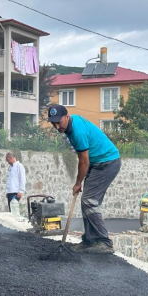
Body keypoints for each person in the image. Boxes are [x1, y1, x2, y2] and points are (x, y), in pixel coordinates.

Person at [48, 104, 121, 254]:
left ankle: (104, 242)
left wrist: (78, 183)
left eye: (59, 122)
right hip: (98, 163)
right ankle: (89, 240)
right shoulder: (71, 124)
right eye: (53, 123)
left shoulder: (77, 132)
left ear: (66, 116)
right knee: (87, 202)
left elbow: (83, 162)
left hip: (107, 163)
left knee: (89, 201)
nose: (56, 126)